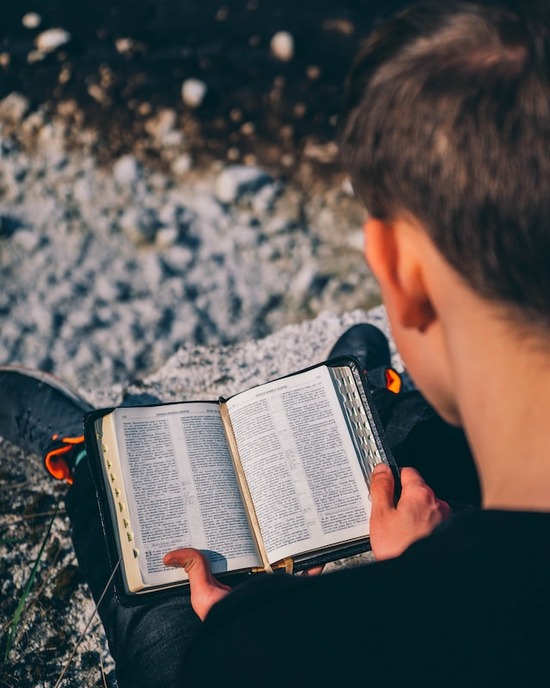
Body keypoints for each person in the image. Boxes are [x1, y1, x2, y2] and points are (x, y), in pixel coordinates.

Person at [1, 0, 548, 684]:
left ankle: (91, 467)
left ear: (401, 276)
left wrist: (268, 617)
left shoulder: (263, 653)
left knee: (165, 613)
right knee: (421, 436)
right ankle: (347, 400)